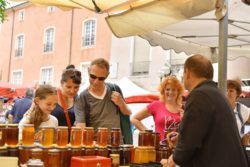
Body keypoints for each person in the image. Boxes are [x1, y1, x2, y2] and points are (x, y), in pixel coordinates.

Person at [167, 54, 249, 167]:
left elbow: (190, 142)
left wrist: (175, 158)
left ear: (187, 73)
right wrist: (181, 138)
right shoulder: (216, 94)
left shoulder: (199, 95)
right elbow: (204, 132)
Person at [74, 58, 132, 144]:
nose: (96, 82)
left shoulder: (115, 89)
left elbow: (128, 112)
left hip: (117, 146)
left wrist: (121, 103)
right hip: (97, 148)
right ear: (88, 71)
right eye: (93, 77)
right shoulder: (82, 98)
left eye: (101, 78)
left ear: (107, 75)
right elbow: (81, 127)